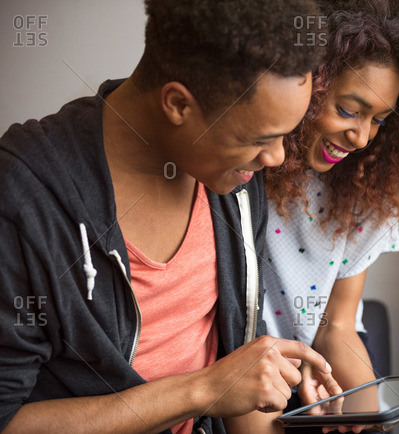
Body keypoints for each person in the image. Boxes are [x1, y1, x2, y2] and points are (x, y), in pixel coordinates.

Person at [0, 1, 341, 433]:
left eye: (283, 136)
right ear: (178, 104)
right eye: (261, 139)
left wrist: (266, 383)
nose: (274, 159)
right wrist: (199, 392)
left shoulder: (230, 182)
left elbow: (235, 375)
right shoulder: (24, 201)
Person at [262, 0, 399, 431]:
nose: (360, 138)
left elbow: (337, 324)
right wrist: (289, 363)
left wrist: (371, 420)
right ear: (308, 84)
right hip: (246, 370)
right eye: (348, 110)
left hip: (322, 356)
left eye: (379, 119)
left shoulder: (362, 190)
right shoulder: (238, 167)